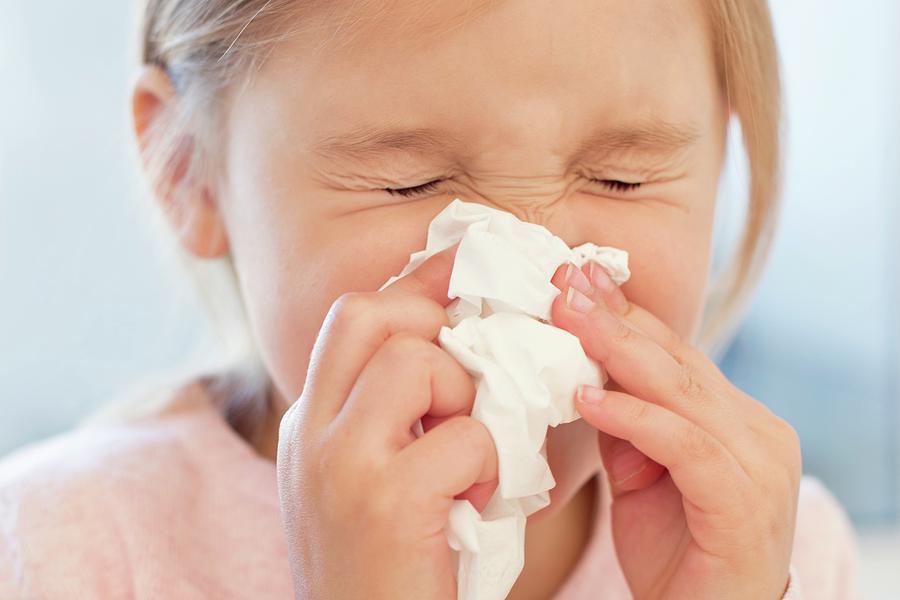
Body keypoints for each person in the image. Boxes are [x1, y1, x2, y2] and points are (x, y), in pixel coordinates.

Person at [0, 0, 860, 597]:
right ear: (191, 174)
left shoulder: (774, 552)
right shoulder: (58, 553)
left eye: (620, 176)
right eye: (412, 183)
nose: (528, 266)